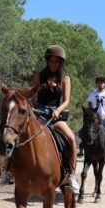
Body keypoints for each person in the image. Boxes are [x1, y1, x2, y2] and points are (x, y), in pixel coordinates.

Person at [30, 45, 80, 190]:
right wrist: (31, 107)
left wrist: (58, 110)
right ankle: (8, 170)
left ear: (60, 63)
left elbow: (66, 100)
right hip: (38, 112)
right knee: (18, 133)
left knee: (71, 139)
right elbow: (31, 94)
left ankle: (71, 174)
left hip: (54, 115)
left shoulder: (65, 78)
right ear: (47, 61)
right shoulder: (38, 76)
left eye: (56, 62)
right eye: (51, 61)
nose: (53, 64)